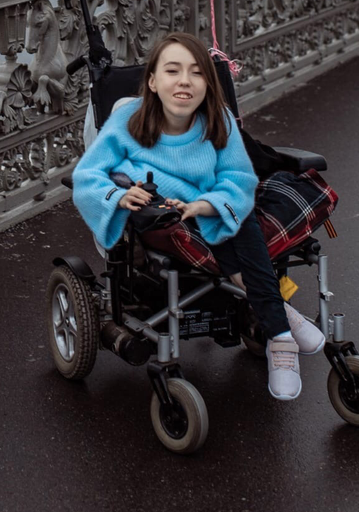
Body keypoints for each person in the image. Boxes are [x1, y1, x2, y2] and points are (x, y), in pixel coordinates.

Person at [72, 32, 326, 400]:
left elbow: (237, 175)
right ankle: (282, 324)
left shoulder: (216, 116)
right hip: (159, 210)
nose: (184, 81)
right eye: (172, 71)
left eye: (196, 72)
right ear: (153, 81)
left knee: (235, 214)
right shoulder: (126, 116)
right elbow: (89, 174)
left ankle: (280, 337)